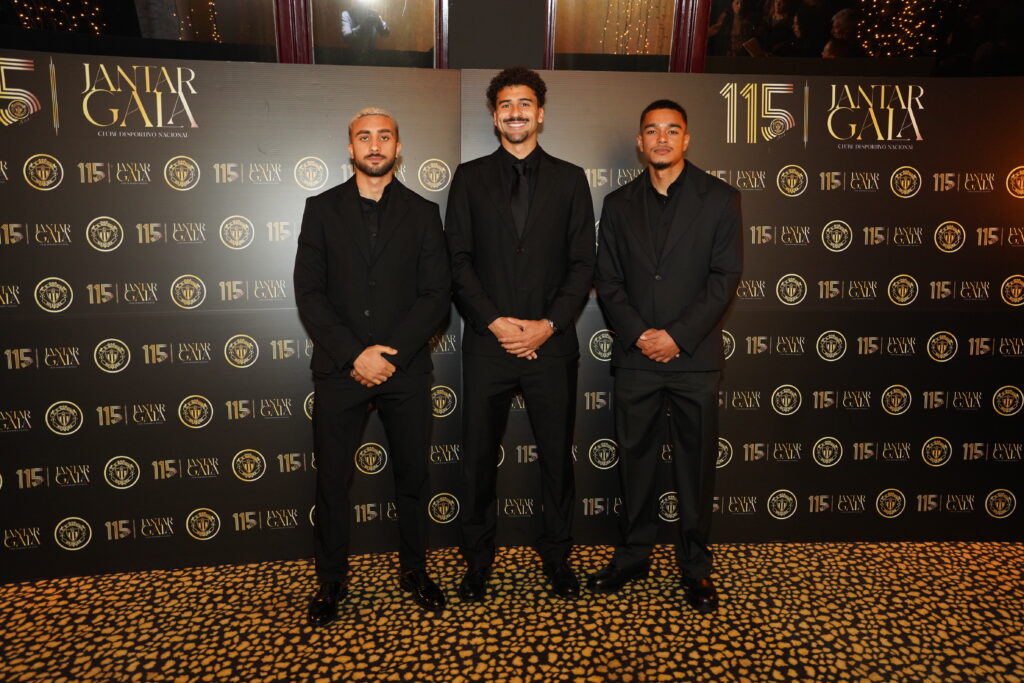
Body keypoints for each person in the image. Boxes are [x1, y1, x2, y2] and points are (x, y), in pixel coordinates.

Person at [294, 107, 451, 626]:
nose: (375, 145)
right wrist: (354, 354)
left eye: (385, 136)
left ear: (398, 148)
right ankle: (331, 580)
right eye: (365, 137)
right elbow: (309, 292)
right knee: (332, 481)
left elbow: (436, 295)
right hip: (339, 369)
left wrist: (390, 355)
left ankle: (414, 570)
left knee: (413, 476)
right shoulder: (320, 209)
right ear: (351, 148)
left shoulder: (424, 212)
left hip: (405, 369)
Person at [444, 67, 595, 602]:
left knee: (556, 458)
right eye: (506, 104)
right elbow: (457, 260)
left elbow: (583, 263)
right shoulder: (469, 177)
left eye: (525, 103)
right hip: (489, 344)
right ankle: (477, 560)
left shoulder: (571, 179)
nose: (515, 112)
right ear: (494, 116)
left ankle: (557, 556)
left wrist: (547, 325)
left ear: (541, 113)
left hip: (552, 346)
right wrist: (495, 322)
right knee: (477, 459)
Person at [590, 100, 742, 614]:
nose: (661, 139)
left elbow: (724, 278)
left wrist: (677, 337)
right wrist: (639, 335)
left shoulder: (721, 198)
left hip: (694, 358)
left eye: (671, 130)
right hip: (636, 359)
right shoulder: (617, 204)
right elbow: (608, 280)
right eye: (651, 131)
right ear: (640, 142)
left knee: (695, 470)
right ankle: (633, 557)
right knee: (635, 465)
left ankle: (696, 567)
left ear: (686, 139)